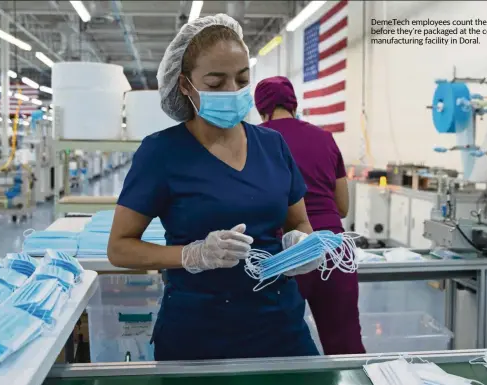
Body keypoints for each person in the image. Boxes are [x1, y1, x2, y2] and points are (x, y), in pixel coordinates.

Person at [107, 15, 323, 361]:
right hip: (198, 332)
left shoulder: (273, 145)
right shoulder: (162, 152)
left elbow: (299, 222)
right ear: (184, 85)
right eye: (215, 81)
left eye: (242, 79)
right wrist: (193, 255)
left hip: (280, 324)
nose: (232, 92)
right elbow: (119, 248)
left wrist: (300, 245)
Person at [254, 76, 366, 355]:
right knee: (345, 343)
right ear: (293, 104)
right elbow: (342, 207)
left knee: (274, 344)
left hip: (284, 250)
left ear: (260, 108)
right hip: (333, 248)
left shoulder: (254, 140)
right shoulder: (325, 138)